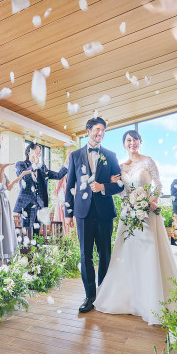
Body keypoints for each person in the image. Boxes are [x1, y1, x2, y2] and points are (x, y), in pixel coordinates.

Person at [93, 130, 177, 324]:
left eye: (135, 139)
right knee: (127, 255)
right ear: (124, 144)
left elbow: (158, 185)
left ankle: (151, 300)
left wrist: (153, 202)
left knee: (148, 252)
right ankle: (128, 298)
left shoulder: (148, 162)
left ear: (140, 142)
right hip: (128, 214)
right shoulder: (120, 166)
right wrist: (113, 185)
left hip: (148, 213)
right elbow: (119, 191)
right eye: (128, 140)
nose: (132, 142)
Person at [64, 117, 123, 313]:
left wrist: (103, 186)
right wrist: (68, 214)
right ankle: (89, 296)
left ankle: (104, 294)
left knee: (105, 254)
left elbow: (119, 185)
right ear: (88, 130)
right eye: (98, 129)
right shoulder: (75, 155)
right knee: (85, 254)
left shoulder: (111, 156)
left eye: (104, 130)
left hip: (104, 212)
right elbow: (70, 185)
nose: (101, 133)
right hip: (82, 213)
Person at [0, 138, 32, 260]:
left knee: (4, 229)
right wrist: (2, 169)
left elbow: (8, 187)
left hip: (3, 201)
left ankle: (4, 257)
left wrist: (22, 175)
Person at [13, 142, 69, 235]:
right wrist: (34, 164)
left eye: (40, 151)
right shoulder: (21, 164)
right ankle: (25, 250)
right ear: (29, 152)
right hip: (27, 205)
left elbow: (58, 176)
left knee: (36, 234)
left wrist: (67, 162)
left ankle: (35, 250)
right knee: (27, 234)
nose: (39, 153)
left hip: (40, 205)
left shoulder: (42, 167)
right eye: (37, 150)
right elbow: (23, 178)